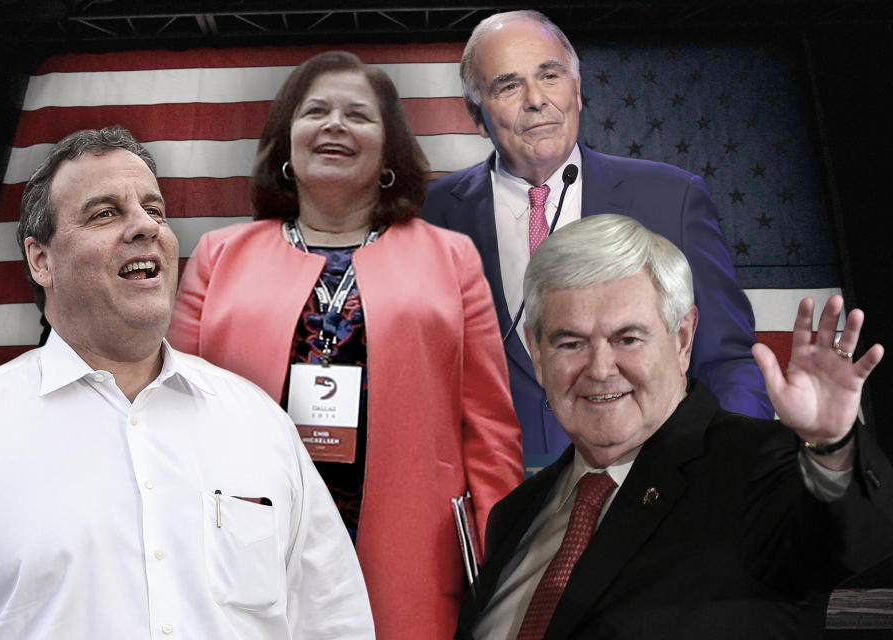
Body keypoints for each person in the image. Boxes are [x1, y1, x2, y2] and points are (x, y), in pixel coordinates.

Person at [0, 126, 375, 639]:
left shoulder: (258, 424)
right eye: (104, 213)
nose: (145, 227)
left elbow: (335, 624)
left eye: (155, 210)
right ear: (40, 260)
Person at [167, 51, 524, 639]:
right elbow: (174, 418)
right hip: (243, 552)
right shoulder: (217, 255)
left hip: (413, 551)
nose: (335, 124)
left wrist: (504, 563)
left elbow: (489, 431)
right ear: (287, 142)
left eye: (359, 115)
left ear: (388, 151)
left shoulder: (452, 257)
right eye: (316, 111)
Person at [456, 214, 893, 639]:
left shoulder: (764, 470)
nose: (601, 369)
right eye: (570, 343)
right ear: (535, 353)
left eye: (627, 339)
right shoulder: (512, 516)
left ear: (683, 338)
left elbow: (855, 537)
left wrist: (831, 446)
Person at [421, 10, 772, 467]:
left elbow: (726, 361)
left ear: (578, 90)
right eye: (508, 86)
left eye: (550, 76)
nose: (535, 100)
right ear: (476, 114)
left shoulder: (673, 199)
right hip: (498, 501)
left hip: (654, 493)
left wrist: (727, 470)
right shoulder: (429, 215)